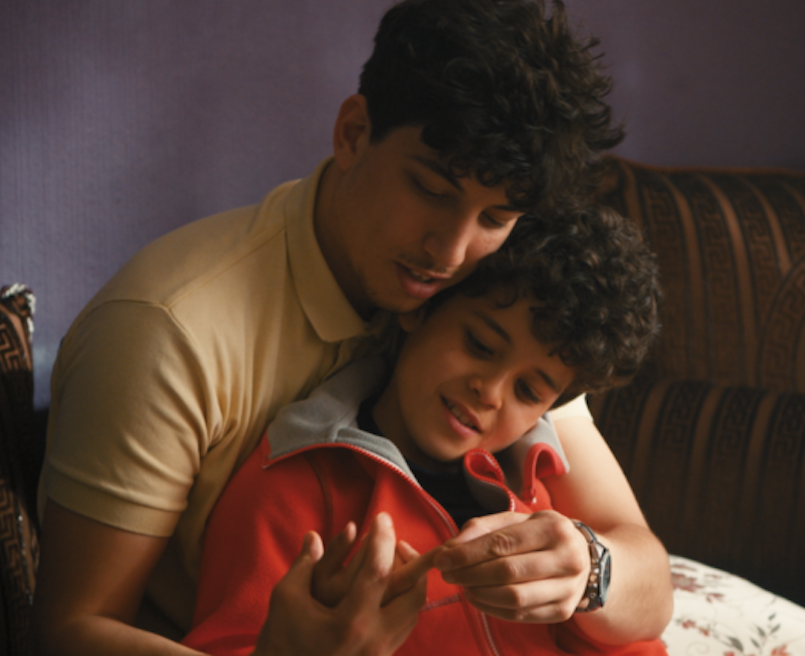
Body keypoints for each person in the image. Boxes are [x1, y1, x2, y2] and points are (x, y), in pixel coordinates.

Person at [33, 0, 674, 654]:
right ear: (353, 132)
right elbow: (69, 633)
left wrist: (591, 569)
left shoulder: (494, 292)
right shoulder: (167, 333)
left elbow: (647, 573)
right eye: (431, 189)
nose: (451, 252)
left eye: (494, 218)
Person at [181, 206, 667, 656]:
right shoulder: (293, 486)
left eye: (527, 391)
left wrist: (589, 575)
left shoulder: (542, 480)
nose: (490, 392)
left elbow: (640, 633)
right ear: (422, 307)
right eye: (480, 344)